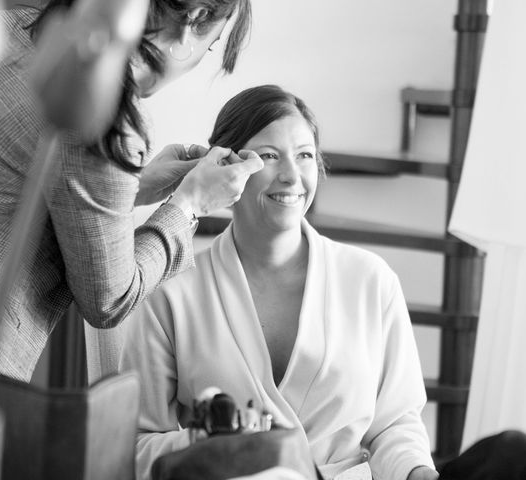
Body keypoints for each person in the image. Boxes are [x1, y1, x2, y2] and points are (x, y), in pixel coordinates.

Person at [0, 0, 261, 399]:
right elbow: (109, 299)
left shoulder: (21, 25)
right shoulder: (110, 116)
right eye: (211, 46)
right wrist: (190, 205)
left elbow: (5, 180)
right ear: (193, 21)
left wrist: (139, 185)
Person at [118, 85, 439, 480]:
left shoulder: (371, 282)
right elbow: (135, 443)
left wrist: (416, 471)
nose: (291, 176)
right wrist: (207, 445)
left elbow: (396, 423)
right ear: (226, 169)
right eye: (269, 156)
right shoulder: (170, 292)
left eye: (305, 155)